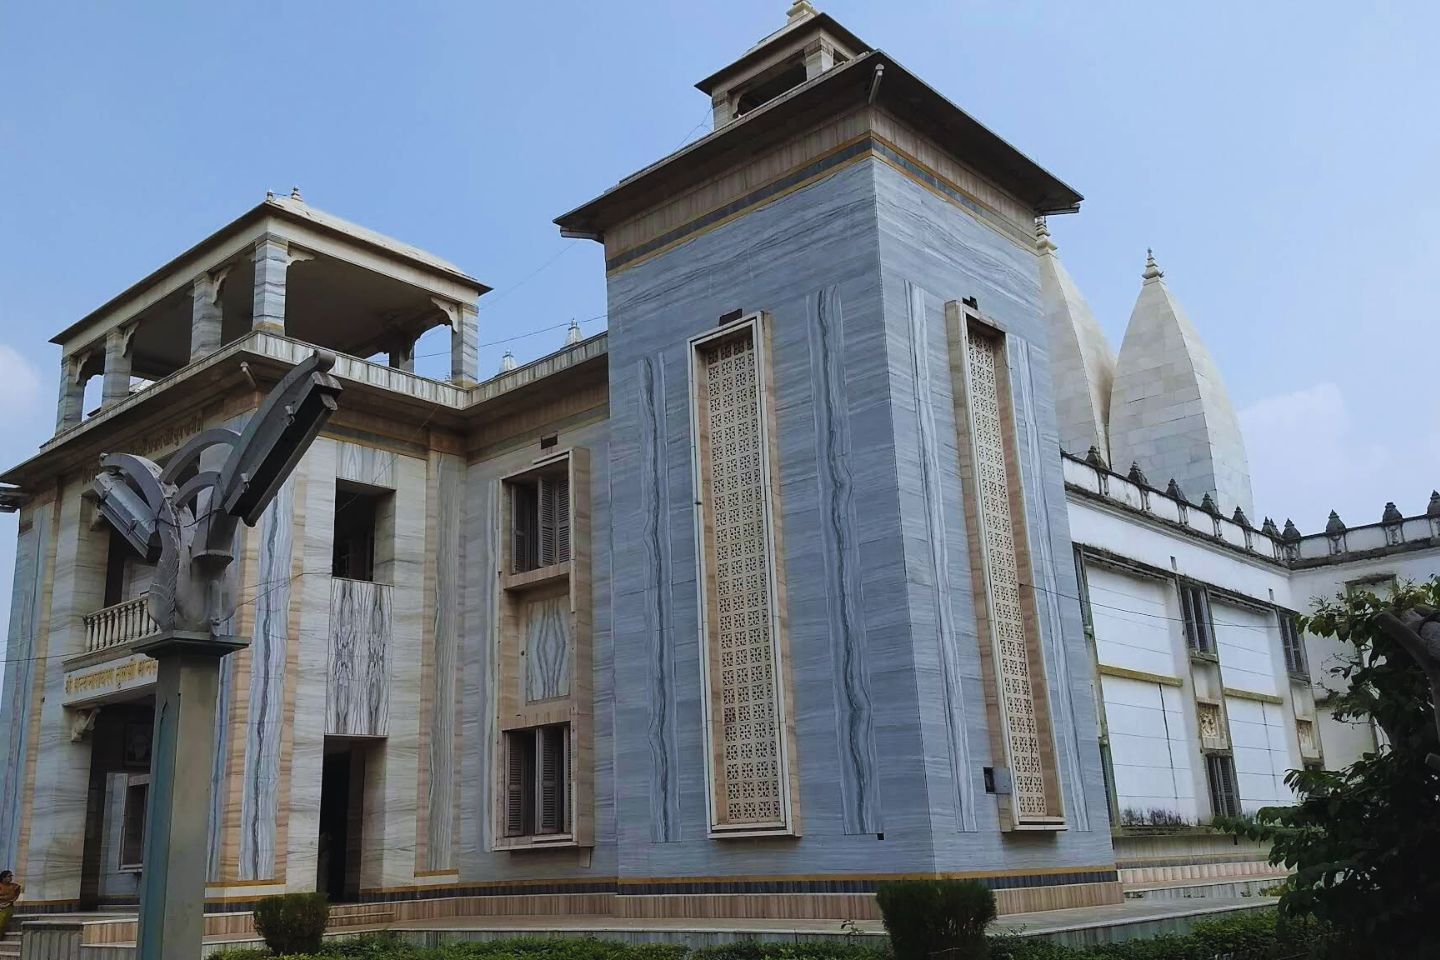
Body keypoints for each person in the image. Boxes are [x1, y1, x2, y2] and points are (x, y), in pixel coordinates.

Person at [0, 870, 21, 936]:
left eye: (11, 876)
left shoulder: (14, 887)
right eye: (9, 876)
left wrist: (9, 902)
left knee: (3, 918)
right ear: (3, 878)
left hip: (8, 906)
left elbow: (15, 895)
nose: (11, 878)